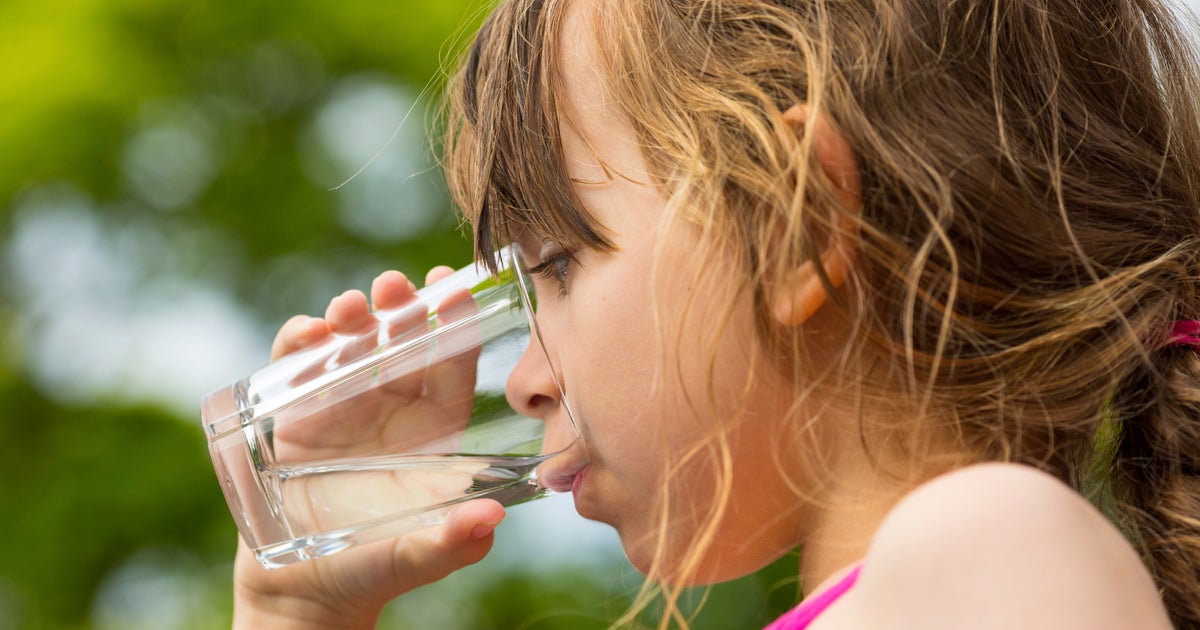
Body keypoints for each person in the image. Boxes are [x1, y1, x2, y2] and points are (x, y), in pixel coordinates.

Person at [230, 0, 1200, 628]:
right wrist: (294, 613)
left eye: (558, 265)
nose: (523, 380)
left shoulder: (984, 549)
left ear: (792, 224)